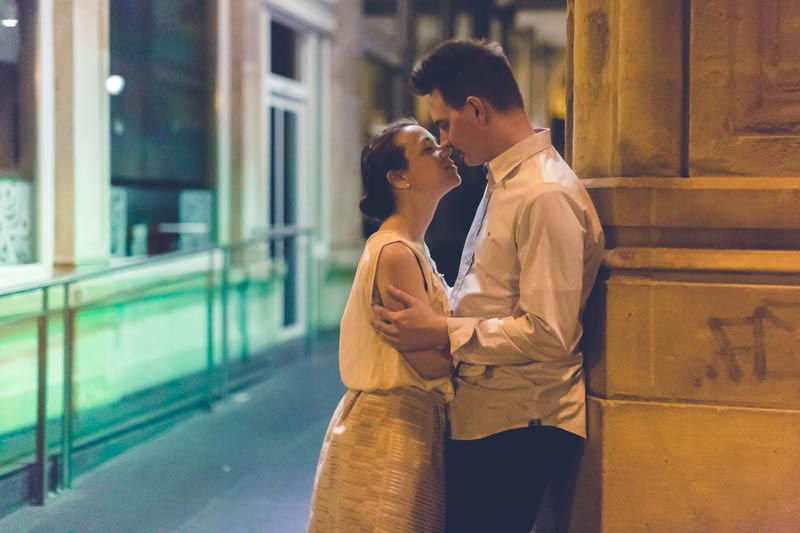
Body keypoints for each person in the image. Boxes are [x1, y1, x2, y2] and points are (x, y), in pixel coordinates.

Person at [370, 40, 605, 533]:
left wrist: (441, 331)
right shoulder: (507, 180)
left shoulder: (543, 193)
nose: (445, 142)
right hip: (490, 418)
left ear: (475, 108)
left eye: (444, 123)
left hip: (520, 425)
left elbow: (549, 332)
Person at [308, 118, 461, 532]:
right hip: (390, 434)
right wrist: (490, 346)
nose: (445, 150)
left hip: (402, 427)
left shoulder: (409, 246)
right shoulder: (395, 253)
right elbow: (429, 364)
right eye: (428, 149)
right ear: (399, 178)